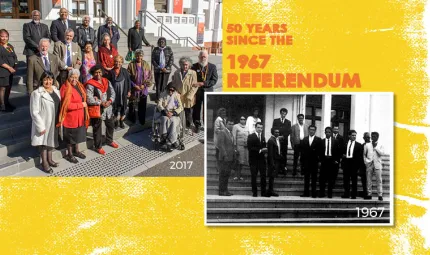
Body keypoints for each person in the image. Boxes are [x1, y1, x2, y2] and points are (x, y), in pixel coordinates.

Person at [30, 71, 61, 174]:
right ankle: (44, 163)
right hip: (44, 122)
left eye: (50, 79)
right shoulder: (37, 93)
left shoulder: (56, 90)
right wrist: (40, 126)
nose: (48, 82)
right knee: (44, 143)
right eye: (45, 79)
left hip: (55, 120)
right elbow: (34, 112)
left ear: (53, 80)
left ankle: (50, 159)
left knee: (51, 141)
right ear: (42, 81)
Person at [57, 69, 89, 164]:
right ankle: (70, 154)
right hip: (70, 118)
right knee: (70, 138)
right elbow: (66, 105)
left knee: (77, 136)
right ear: (68, 77)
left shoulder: (79, 85)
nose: (74, 79)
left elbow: (84, 97)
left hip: (79, 117)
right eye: (72, 77)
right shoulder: (65, 88)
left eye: (76, 77)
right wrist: (81, 105)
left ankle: (77, 151)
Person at [86, 65, 118, 155]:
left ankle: (109, 140)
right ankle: (98, 146)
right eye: (96, 72)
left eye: (100, 72)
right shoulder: (90, 84)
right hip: (97, 110)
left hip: (108, 109)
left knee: (110, 125)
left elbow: (112, 92)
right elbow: (89, 98)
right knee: (97, 129)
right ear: (93, 73)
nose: (98, 74)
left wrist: (110, 101)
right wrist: (100, 102)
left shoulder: (106, 81)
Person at [191, 50, 218, 131]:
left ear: (207, 57)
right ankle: (197, 125)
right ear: (199, 57)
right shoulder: (194, 66)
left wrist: (203, 83)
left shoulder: (212, 67)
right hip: (197, 92)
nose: (203, 58)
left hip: (208, 91)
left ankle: (207, 126)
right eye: (201, 57)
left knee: (208, 110)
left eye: (204, 56)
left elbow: (214, 80)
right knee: (196, 109)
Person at [171, 56, 198, 132]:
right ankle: (179, 126)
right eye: (183, 64)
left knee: (188, 113)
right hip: (179, 96)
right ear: (180, 65)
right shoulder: (177, 72)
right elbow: (174, 84)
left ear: (189, 65)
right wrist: (175, 93)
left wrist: (190, 95)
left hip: (188, 97)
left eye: (186, 64)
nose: (185, 66)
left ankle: (188, 127)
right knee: (179, 112)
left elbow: (195, 86)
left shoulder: (193, 73)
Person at [127, 49, 152, 125]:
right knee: (132, 105)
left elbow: (150, 77)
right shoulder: (131, 64)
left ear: (142, 56)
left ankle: (142, 119)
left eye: (140, 55)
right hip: (134, 89)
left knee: (142, 105)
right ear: (135, 56)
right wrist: (134, 86)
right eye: (137, 55)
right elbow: (128, 77)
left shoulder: (146, 64)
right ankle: (132, 118)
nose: (139, 57)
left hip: (143, 89)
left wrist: (144, 85)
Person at [156, 83, 183, 151]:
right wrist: (165, 112)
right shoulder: (163, 94)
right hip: (165, 112)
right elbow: (159, 104)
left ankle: (171, 140)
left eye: (172, 90)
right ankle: (164, 137)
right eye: (169, 90)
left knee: (173, 121)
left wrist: (173, 113)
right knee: (165, 120)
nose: (170, 92)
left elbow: (180, 107)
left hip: (173, 113)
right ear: (167, 89)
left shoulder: (177, 95)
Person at [108, 55, 131, 129]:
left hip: (123, 92)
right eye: (116, 61)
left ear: (122, 63)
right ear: (114, 62)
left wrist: (129, 91)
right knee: (115, 108)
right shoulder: (111, 72)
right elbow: (108, 83)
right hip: (114, 93)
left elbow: (128, 81)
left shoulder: (124, 71)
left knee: (123, 108)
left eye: (119, 62)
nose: (118, 63)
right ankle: (116, 121)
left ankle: (121, 121)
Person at [247, 122, 268, 197]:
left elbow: (264, 146)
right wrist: (260, 150)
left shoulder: (262, 137)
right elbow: (250, 147)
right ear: (255, 128)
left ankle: (263, 192)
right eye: (258, 127)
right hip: (253, 159)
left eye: (261, 128)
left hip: (261, 160)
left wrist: (265, 149)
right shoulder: (251, 136)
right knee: (254, 176)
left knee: (263, 176)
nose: (260, 129)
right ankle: (254, 192)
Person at [319, 127, 341, 198]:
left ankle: (329, 194)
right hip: (324, 160)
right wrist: (320, 160)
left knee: (331, 179)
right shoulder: (322, 141)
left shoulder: (335, 141)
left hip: (332, 161)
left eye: (329, 132)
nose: (327, 133)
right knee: (322, 178)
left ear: (331, 133)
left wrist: (337, 160)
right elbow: (319, 152)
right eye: (326, 132)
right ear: (325, 133)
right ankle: (322, 193)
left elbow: (338, 152)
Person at [300, 125, 321, 198]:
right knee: (306, 178)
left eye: (313, 130)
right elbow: (302, 152)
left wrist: (319, 161)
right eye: (310, 130)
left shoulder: (318, 140)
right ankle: (306, 193)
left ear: (315, 131)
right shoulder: (304, 139)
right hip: (306, 162)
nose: (311, 131)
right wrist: (302, 162)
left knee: (314, 178)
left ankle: (314, 193)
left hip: (314, 162)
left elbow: (320, 152)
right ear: (308, 130)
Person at [341, 130, 363, 199]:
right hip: (346, 163)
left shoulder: (359, 145)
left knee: (354, 180)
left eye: (355, 135)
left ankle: (354, 195)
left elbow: (360, 157)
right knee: (346, 180)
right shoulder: (345, 144)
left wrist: (359, 167)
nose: (354, 137)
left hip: (354, 164)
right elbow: (341, 152)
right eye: (352, 135)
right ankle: (346, 194)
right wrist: (342, 156)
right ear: (349, 136)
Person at [364, 132, 385, 201]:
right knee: (369, 180)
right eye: (372, 136)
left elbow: (382, 153)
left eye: (375, 136)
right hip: (369, 164)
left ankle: (380, 195)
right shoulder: (367, 145)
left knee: (379, 180)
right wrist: (366, 162)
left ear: (377, 137)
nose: (373, 138)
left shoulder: (381, 145)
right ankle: (369, 194)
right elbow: (364, 154)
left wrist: (375, 147)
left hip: (377, 164)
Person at [0, 29, 17, 112]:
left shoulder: (9, 46)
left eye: (6, 36)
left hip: (11, 72)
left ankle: (6, 102)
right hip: (3, 71)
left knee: (8, 87)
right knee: (2, 88)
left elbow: (14, 56)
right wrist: (9, 67)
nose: (4, 38)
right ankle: (2, 105)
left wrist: (15, 65)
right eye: (2, 36)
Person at [217, 119, 236, 196]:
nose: (231, 126)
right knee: (223, 175)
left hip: (230, 157)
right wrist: (225, 155)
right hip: (224, 157)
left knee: (227, 175)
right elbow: (220, 145)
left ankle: (225, 190)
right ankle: (221, 191)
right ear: (226, 124)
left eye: (232, 124)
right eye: (229, 124)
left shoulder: (231, 134)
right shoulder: (222, 132)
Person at [272, 108, 291, 175]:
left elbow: (289, 131)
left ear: (286, 114)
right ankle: (276, 168)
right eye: (282, 113)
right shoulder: (276, 121)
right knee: (276, 154)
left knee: (284, 154)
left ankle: (283, 168)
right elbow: (272, 130)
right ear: (280, 113)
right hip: (276, 141)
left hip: (284, 141)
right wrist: (277, 136)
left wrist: (282, 136)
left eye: (285, 114)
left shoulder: (288, 122)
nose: (283, 115)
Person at [267, 128, 284, 197]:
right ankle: (270, 191)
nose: (277, 133)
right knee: (271, 176)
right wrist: (272, 163)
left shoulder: (277, 140)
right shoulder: (271, 140)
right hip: (273, 161)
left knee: (273, 176)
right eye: (276, 132)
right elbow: (270, 153)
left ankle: (271, 190)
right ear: (273, 133)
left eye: (278, 132)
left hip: (277, 160)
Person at [232, 116, 248, 181]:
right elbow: (234, 136)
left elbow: (248, 136)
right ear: (239, 120)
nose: (243, 120)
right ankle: (236, 175)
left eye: (244, 119)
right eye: (241, 119)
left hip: (245, 147)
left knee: (242, 162)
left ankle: (240, 175)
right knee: (237, 161)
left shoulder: (247, 127)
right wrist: (235, 147)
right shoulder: (236, 126)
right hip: (238, 146)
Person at [359, 132, 371, 198]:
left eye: (369, 137)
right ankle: (365, 193)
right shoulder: (362, 146)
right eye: (366, 137)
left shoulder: (372, 146)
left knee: (369, 181)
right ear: (363, 138)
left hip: (370, 166)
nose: (368, 138)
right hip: (363, 166)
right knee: (363, 180)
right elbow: (360, 156)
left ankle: (369, 194)